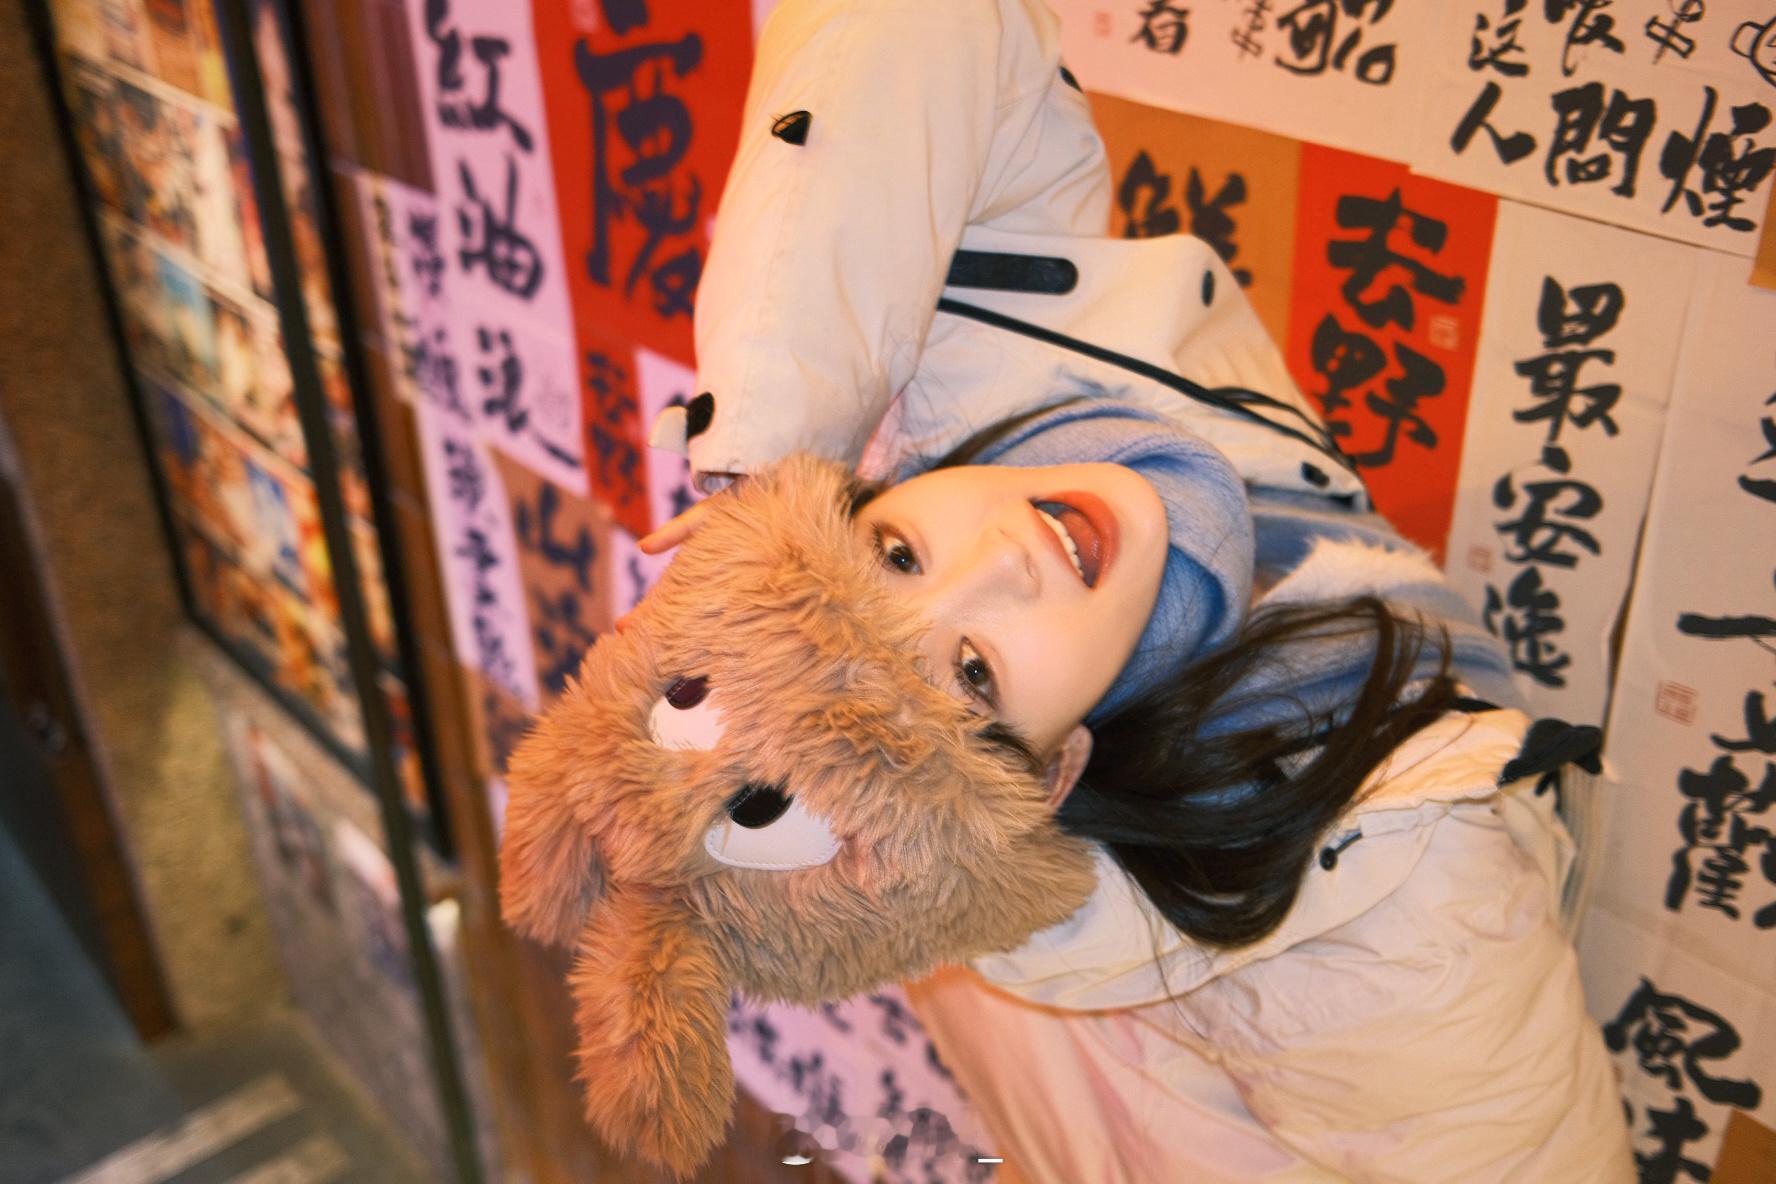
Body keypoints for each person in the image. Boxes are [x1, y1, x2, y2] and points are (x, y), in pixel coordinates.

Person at [641, 1, 1637, 1178]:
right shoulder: (1399, 906)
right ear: (1052, 773)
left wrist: (762, 453)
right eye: (972, 673)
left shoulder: (968, 402)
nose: (1004, 556)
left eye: (893, 557)